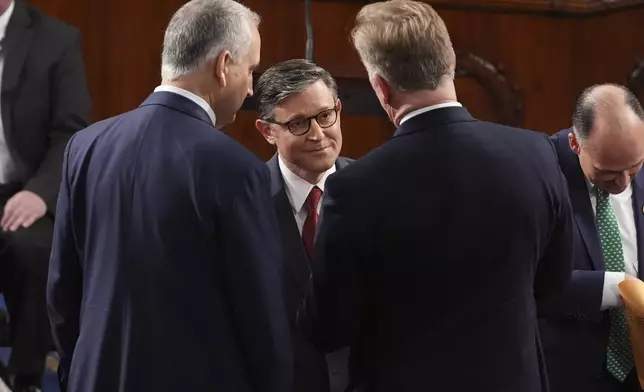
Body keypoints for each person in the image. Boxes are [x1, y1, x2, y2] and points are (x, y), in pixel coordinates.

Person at [297, 1, 575, 391]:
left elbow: (328, 328)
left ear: (381, 86)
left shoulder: (354, 187)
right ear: (451, 60)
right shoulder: (539, 154)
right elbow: (554, 285)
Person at [46, 1, 292, 391]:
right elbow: (261, 317)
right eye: (250, 70)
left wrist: (79, 374)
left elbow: (62, 290)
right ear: (223, 65)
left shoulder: (85, 146)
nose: (250, 87)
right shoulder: (238, 169)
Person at [0, 0, 91, 390]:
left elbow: (70, 131)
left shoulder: (56, 40)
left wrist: (40, 193)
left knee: (32, 248)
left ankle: (26, 378)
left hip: (26, 187)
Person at [254, 59, 351, 392]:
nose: (318, 134)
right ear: (268, 131)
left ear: (338, 109)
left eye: (325, 116)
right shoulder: (244, 201)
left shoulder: (375, 191)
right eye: (298, 123)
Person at [542, 84, 644, 392]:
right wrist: (619, 287)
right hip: (573, 371)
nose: (624, 183)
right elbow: (528, 277)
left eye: (635, 168)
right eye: (609, 173)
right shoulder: (539, 174)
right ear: (575, 144)